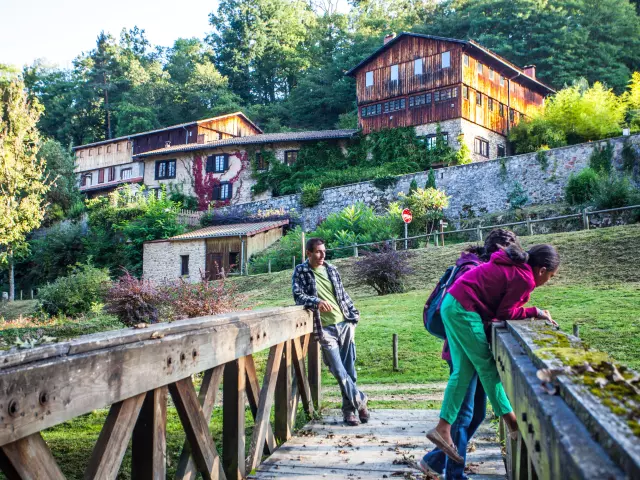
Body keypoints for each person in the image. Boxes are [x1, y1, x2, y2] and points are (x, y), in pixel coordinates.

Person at [426, 243, 560, 464]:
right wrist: (535, 312)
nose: (548, 281)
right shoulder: (525, 278)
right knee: (487, 367)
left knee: (463, 371)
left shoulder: (516, 268)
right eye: (551, 276)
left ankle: (443, 427)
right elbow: (504, 313)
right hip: (463, 309)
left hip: (452, 303)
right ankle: (511, 420)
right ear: (542, 270)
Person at [420, 229, 520, 480]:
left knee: (475, 414)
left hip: (476, 348)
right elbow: (461, 312)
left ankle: (434, 460)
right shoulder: (472, 270)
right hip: (462, 350)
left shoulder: (482, 269)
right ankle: (454, 475)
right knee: (464, 416)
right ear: (498, 251)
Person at [292, 237, 368, 426]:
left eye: (324, 251)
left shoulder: (331, 269)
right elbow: (298, 295)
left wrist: (354, 316)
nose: (322, 255)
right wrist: (316, 302)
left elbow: (342, 295)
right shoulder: (301, 271)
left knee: (350, 371)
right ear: (308, 253)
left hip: (344, 324)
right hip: (324, 329)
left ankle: (349, 413)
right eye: (318, 252)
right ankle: (361, 401)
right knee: (338, 370)